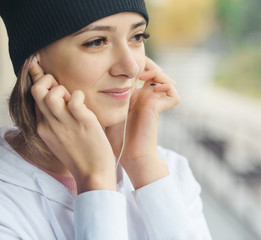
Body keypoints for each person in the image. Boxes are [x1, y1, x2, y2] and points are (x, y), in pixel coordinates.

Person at [0, 0, 212, 239]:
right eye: (96, 41)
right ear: (34, 62)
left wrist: (142, 164)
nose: (131, 67)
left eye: (137, 36)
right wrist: (97, 182)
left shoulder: (169, 171)